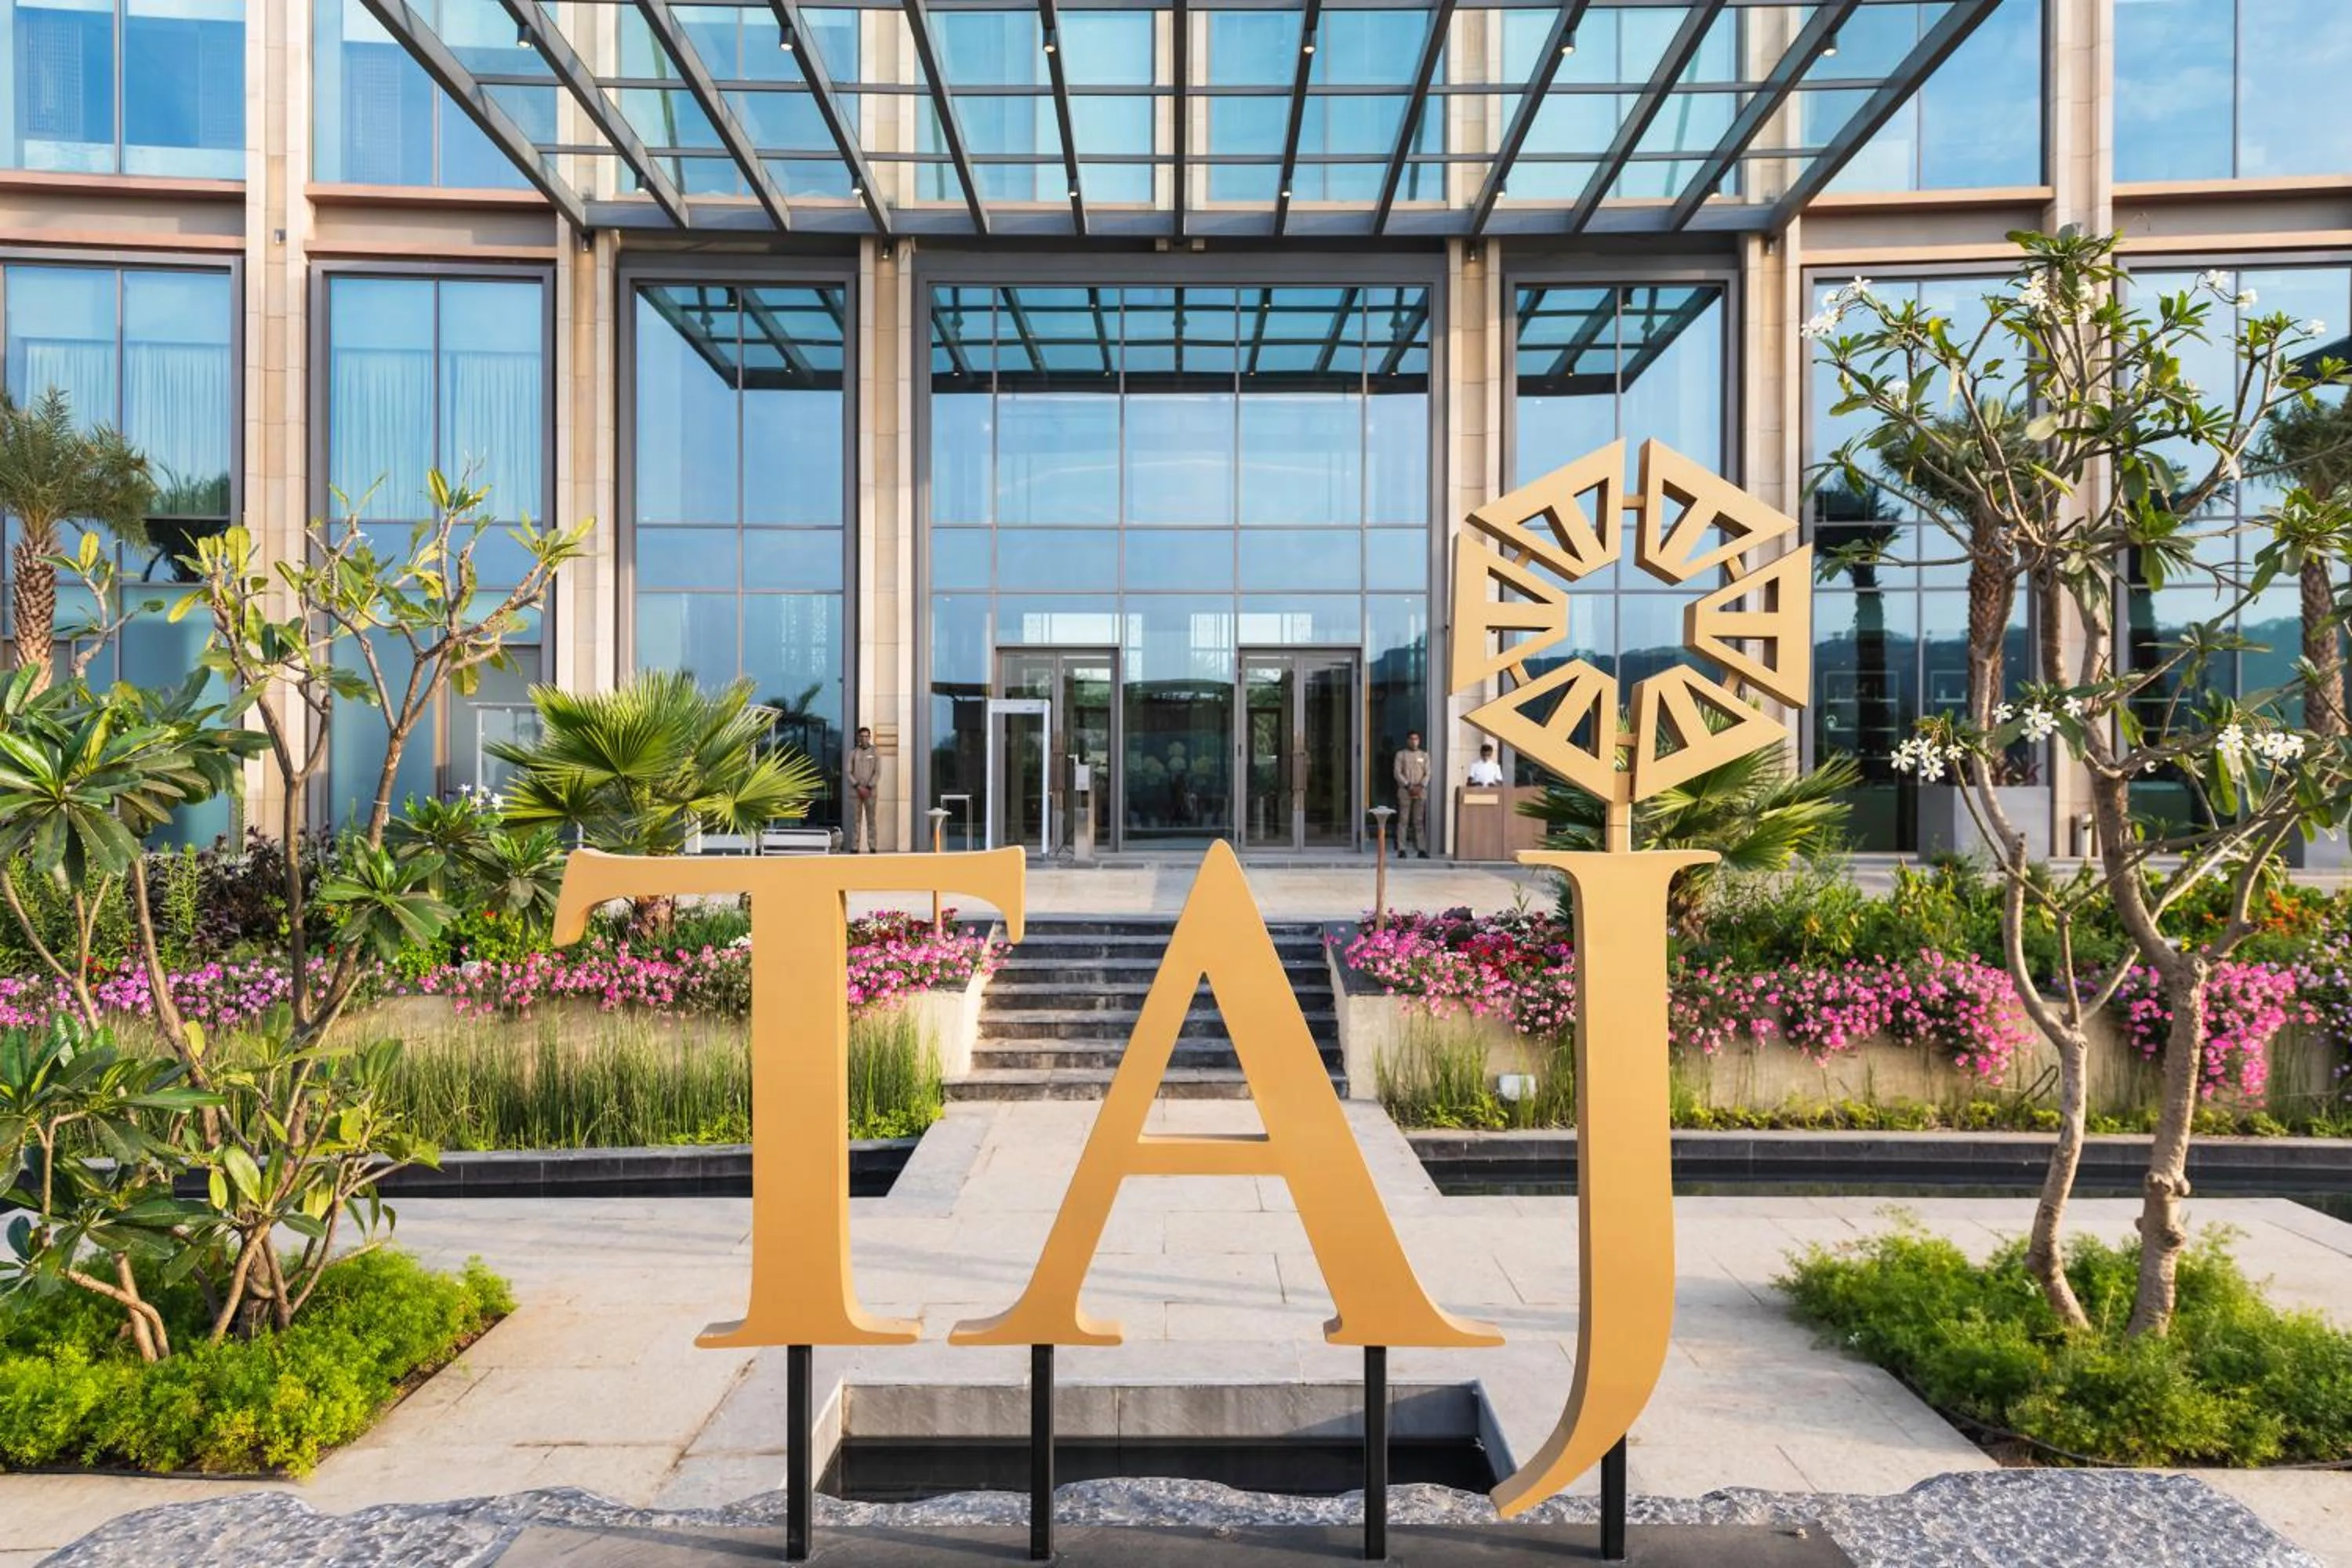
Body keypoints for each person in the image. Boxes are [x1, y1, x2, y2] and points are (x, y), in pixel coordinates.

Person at [1393, 731, 1432, 858]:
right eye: (1411, 739)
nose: (1414, 741)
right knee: (1403, 820)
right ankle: (1401, 849)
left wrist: (1420, 786)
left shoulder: (1424, 755)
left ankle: (1421, 849)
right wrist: (1408, 785)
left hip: (1420, 791)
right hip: (1405, 791)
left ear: (1419, 741)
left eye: (1416, 739)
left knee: (1419, 821)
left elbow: (1428, 773)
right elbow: (1397, 773)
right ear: (1407, 740)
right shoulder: (1401, 755)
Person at [848, 726, 880, 852]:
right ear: (858, 737)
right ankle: (855, 847)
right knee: (856, 820)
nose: (864, 739)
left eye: (866, 736)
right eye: (862, 736)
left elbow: (877, 772)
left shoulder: (875, 752)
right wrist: (858, 787)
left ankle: (872, 846)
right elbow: (848, 771)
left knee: (871, 820)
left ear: (870, 737)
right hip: (855, 792)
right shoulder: (853, 753)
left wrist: (868, 787)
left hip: (871, 792)